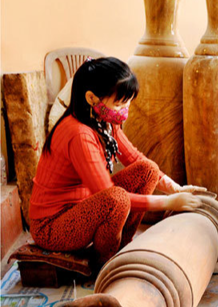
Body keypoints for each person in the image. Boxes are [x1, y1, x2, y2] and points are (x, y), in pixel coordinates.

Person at [30, 57, 205, 266]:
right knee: (116, 199)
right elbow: (106, 193)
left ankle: (121, 246)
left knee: (147, 170)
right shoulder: (78, 134)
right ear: (92, 98)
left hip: (82, 207)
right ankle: (105, 263)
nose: (125, 108)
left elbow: (134, 158)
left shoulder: (103, 122)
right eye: (120, 103)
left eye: (128, 101)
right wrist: (168, 203)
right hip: (52, 226)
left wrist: (176, 189)